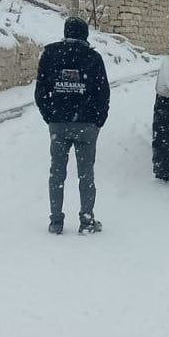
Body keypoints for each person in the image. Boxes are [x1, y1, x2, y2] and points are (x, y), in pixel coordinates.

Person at [34, 17, 110, 234]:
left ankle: (56, 221)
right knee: (86, 175)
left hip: (58, 123)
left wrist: (50, 116)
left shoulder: (50, 55)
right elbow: (103, 93)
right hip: (86, 124)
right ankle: (87, 220)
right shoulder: (93, 58)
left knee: (57, 174)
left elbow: (41, 92)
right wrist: (98, 120)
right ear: (85, 34)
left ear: (65, 32)